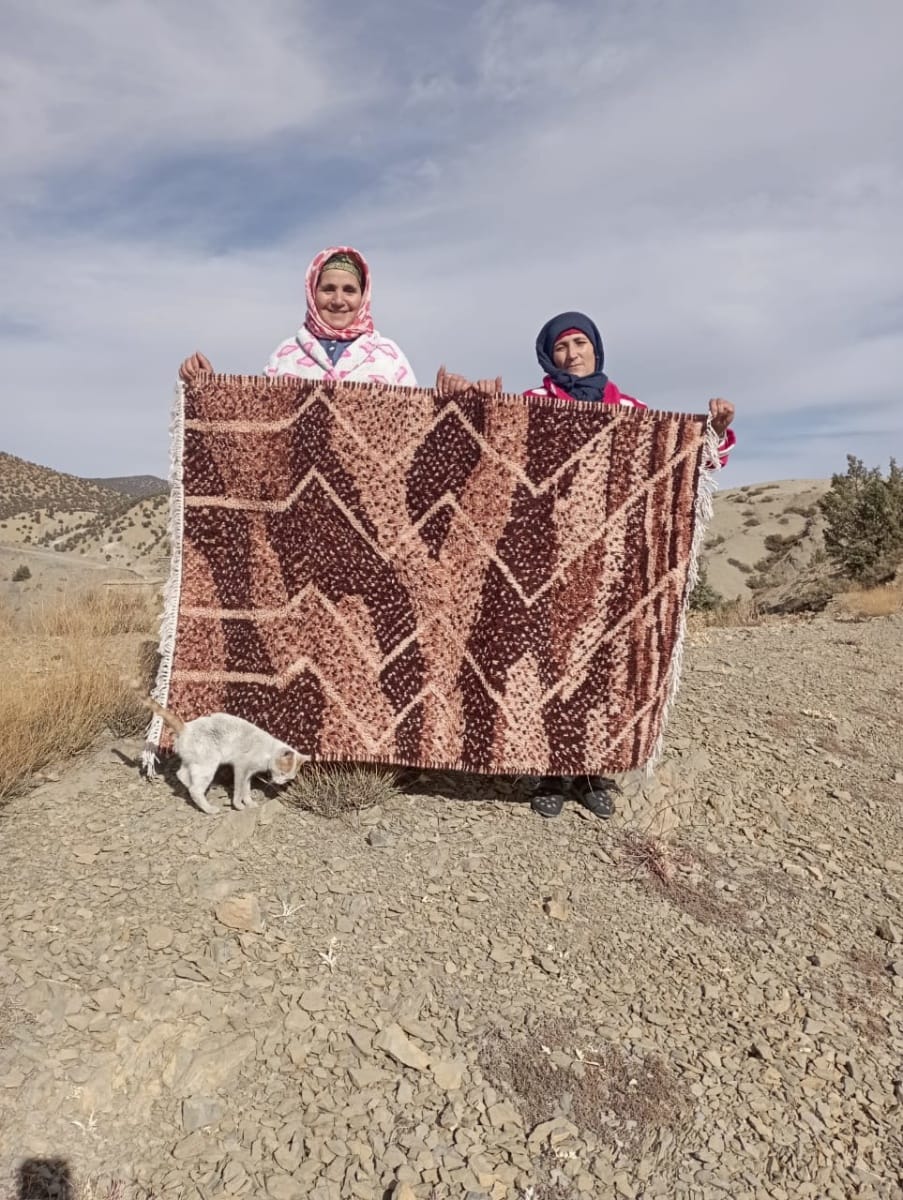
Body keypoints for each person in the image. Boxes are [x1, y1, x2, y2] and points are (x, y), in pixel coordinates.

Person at [437, 310, 736, 820]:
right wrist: (464, 399)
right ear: (548, 357)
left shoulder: (632, 409)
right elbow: (483, 442)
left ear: (596, 348)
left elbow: (691, 460)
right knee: (549, 662)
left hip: (611, 563)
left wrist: (718, 430)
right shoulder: (531, 404)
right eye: (560, 348)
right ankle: (550, 772)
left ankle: (593, 771)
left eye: (579, 344)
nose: (572, 354)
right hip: (543, 561)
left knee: (603, 666)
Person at [180, 245, 416, 386]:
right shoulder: (287, 355)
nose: (338, 300)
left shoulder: (389, 356)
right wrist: (208, 387)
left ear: (363, 297)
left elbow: (417, 426)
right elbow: (255, 422)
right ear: (313, 293)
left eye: (349, 290)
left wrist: (449, 397)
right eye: (328, 289)